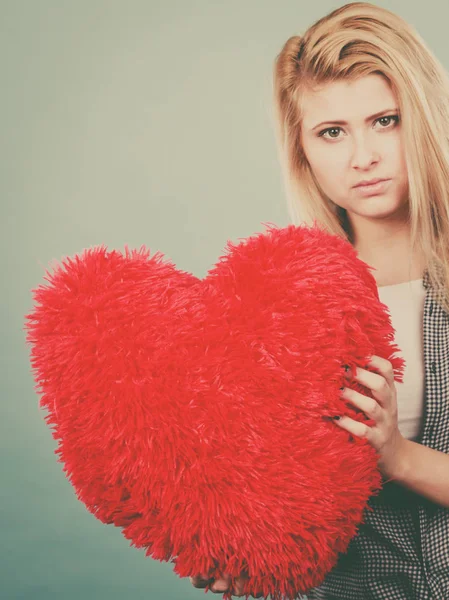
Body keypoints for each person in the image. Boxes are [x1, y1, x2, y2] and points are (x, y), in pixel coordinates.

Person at [190, 2, 449, 598]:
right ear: (302, 149)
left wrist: (399, 456)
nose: (363, 157)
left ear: (425, 116)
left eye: (386, 120)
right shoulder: (279, 307)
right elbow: (269, 487)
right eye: (332, 132)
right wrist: (240, 549)